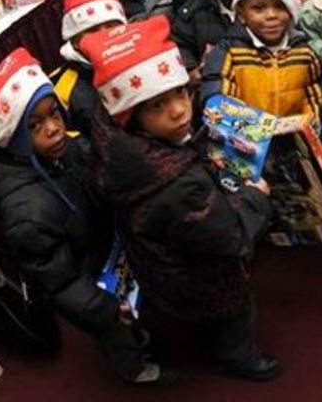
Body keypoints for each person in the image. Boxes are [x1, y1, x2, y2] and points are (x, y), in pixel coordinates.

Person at [79, 19, 280, 381]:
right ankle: (240, 358)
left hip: (161, 266)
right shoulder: (175, 182)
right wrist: (255, 197)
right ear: (132, 116)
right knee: (234, 316)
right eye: (158, 105)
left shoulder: (114, 143)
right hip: (203, 276)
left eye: (181, 93)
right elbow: (231, 238)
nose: (178, 110)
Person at [0, 48, 171, 385]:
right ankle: (134, 367)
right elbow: (60, 282)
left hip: (105, 250)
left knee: (135, 313)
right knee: (117, 332)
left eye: (54, 113)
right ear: (9, 135)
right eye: (34, 125)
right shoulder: (25, 212)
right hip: (87, 279)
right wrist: (103, 309)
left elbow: (96, 168)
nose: (55, 129)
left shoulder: (60, 149)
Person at [201, 0, 322, 119]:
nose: (271, 15)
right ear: (241, 13)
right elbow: (218, 103)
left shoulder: (303, 53)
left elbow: (314, 96)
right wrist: (260, 133)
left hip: (293, 139)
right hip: (244, 140)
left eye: (280, 7)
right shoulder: (229, 53)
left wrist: (309, 124)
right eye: (258, 9)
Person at [51, 0, 128, 134]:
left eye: (111, 26)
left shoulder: (141, 58)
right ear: (74, 41)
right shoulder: (63, 89)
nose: (104, 36)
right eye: (92, 30)